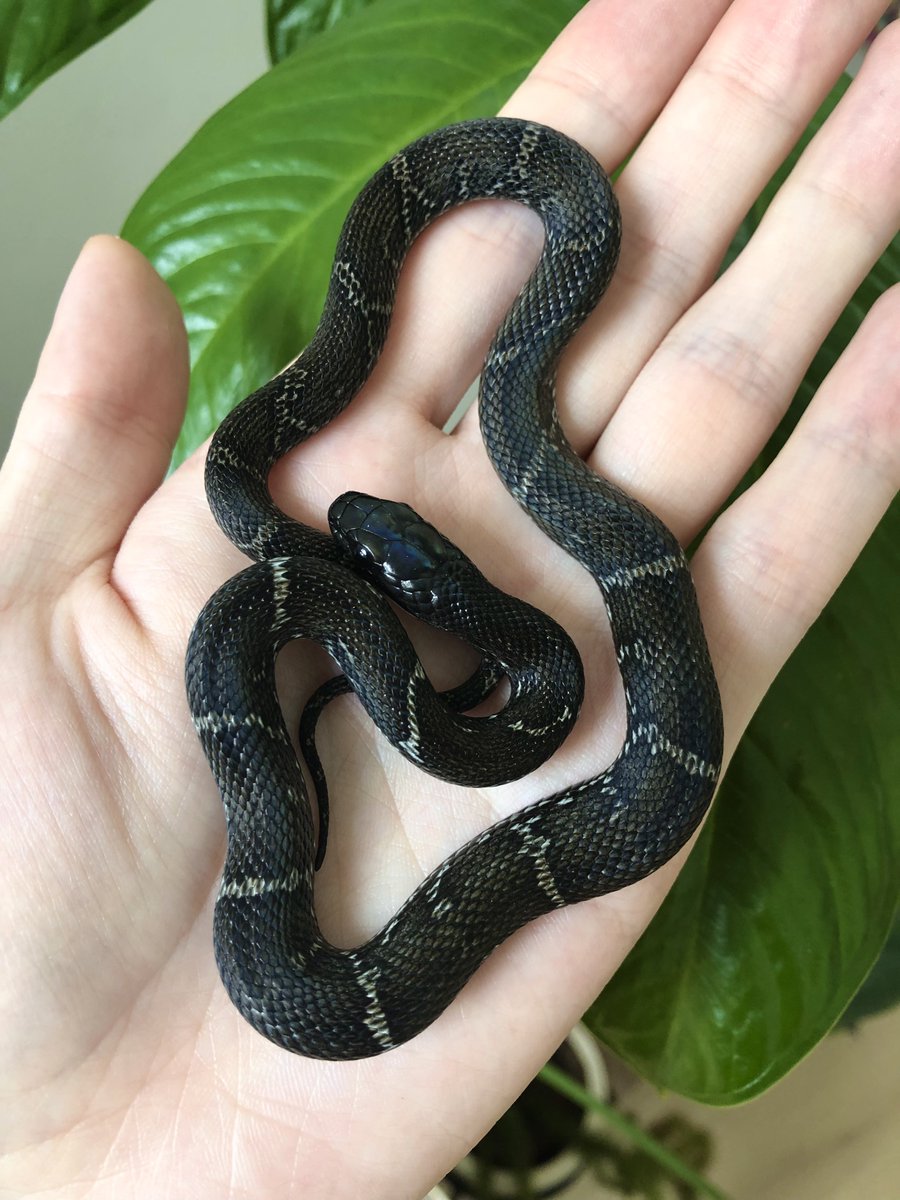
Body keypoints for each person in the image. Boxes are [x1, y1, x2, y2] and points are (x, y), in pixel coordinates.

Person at [1, 1, 897, 1196]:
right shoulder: (398, 633)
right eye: (371, 552)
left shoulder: (495, 651)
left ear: (429, 584)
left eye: (381, 546)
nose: (366, 530)